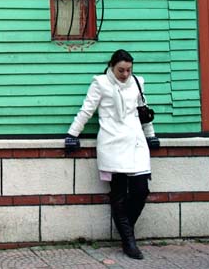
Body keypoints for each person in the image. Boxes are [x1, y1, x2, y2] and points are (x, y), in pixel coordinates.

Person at [64, 49, 160, 260]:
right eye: (121, 70)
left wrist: (151, 135)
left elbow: (143, 112)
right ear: (111, 66)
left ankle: (125, 230)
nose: (125, 74)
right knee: (118, 193)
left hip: (136, 143)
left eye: (128, 70)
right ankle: (129, 242)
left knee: (141, 190)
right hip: (112, 143)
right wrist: (72, 134)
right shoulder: (100, 83)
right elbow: (87, 110)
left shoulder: (137, 82)